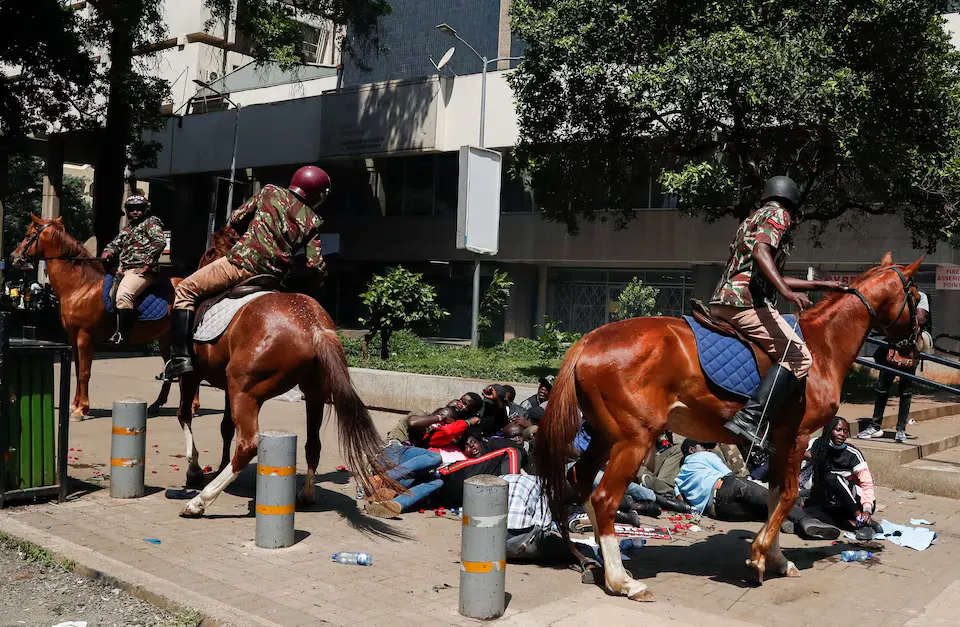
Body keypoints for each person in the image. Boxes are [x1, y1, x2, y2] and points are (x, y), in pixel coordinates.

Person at [710, 176, 846, 450]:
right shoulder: (778, 214)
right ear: (792, 200)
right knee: (798, 356)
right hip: (744, 303)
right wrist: (787, 294)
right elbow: (762, 253)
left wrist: (823, 285)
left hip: (723, 299)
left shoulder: (752, 218)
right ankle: (750, 419)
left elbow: (771, 271)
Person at [163, 165, 331, 379]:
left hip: (241, 265)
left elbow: (236, 217)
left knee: (186, 288)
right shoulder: (313, 221)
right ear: (318, 194)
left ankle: (180, 359)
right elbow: (315, 265)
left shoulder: (270, 192)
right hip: (273, 279)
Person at [675, 440, 839, 540]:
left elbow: (682, 501)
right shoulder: (703, 456)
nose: (708, 450)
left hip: (718, 511)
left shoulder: (678, 478)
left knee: (762, 511)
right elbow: (728, 474)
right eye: (703, 447)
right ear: (691, 450)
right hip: (727, 487)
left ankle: (788, 524)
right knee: (770, 499)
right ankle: (805, 520)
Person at [859, 292, 930, 443]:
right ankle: (875, 426)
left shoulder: (920, 296)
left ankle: (901, 429)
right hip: (891, 347)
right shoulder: (893, 296)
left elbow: (921, 319)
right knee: (882, 389)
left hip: (909, 350)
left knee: (905, 392)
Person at [99, 194, 166, 345]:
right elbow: (115, 244)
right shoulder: (127, 229)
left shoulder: (151, 223)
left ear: (145, 210)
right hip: (123, 269)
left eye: (139, 209)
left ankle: (123, 335)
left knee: (124, 295)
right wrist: (107, 251)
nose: (135, 212)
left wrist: (147, 264)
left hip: (141, 271)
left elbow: (159, 242)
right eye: (132, 209)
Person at [805, 417, 883, 540]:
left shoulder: (853, 454)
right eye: (838, 430)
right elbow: (805, 456)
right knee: (808, 511)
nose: (842, 434)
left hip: (858, 503)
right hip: (836, 504)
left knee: (830, 477)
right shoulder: (820, 448)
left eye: (845, 431)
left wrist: (866, 510)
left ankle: (859, 518)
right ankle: (856, 525)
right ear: (829, 431)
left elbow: (867, 484)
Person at [504, 473, 568, 560]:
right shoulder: (542, 486)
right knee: (581, 548)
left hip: (490, 542)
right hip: (519, 543)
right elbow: (543, 524)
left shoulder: (502, 478)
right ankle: (589, 564)